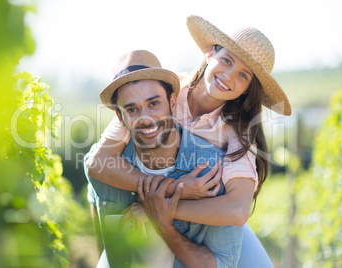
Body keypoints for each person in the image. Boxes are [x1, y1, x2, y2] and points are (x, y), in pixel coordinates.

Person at [87, 15, 291, 267]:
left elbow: (237, 211)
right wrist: (171, 188)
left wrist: (163, 208)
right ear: (209, 53)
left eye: (243, 76)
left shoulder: (238, 133)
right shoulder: (159, 92)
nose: (228, 76)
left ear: (248, 88)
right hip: (136, 206)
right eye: (226, 60)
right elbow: (98, 163)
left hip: (208, 224)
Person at [85, 48, 245, 268]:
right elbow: (97, 208)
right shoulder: (104, 167)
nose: (146, 119)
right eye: (132, 109)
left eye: (154, 104)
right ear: (119, 117)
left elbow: (224, 264)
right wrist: (175, 188)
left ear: (172, 102)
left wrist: (161, 221)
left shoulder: (211, 173)